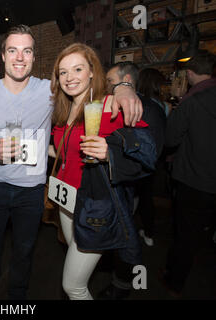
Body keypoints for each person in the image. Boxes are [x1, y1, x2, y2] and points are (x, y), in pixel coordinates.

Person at [0, 24, 143, 300]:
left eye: (26, 51)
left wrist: (123, 88)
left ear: (33, 57)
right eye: (12, 50)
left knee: (24, 252)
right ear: (3, 55)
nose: (19, 57)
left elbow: (87, 88)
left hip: (32, 190)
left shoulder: (50, 91)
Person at [49, 43, 156, 300]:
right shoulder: (63, 110)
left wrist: (110, 153)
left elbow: (148, 152)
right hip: (65, 200)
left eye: (77, 69)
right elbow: (65, 152)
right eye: (63, 72)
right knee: (74, 251)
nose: (69, 77)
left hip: (93, 204)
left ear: (91, 73)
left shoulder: (109, 105)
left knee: (72, 286)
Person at [100, 62, 165, 299]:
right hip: (118, 186)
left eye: (110, 81)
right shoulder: (115, 103)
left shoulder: (146, 108)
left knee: (127, 238)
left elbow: (150, 157)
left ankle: (124, 286)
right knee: (121, 234)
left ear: (126, 78)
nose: (107, 86)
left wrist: (110, 158)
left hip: (132, 187)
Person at [160, 51, 216, 298]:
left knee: (186, 234)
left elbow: (170, 139)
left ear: (190, 73)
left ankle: (174, 283)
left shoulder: (192, 101)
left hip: (195, 180)